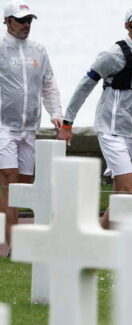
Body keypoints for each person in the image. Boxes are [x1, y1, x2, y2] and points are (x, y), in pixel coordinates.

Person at [58, 4, 132, 228]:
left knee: (122, 192)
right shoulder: (113, 54)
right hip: (111, 130)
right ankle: (117, 243)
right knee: (128, 188)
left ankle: (98, 239)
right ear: (128, 26)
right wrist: (67, 123)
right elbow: (85, 85)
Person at [0, 1, 63, 254]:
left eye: (29, 21)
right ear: (7, 21)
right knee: (10, 181)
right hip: (3, 126)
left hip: (29, 128)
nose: (26, 25)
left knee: (24, 187)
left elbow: (49, 84)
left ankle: (14, 234)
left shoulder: (39, 50)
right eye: (21, 20)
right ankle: (15, 246)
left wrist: (56, 114)